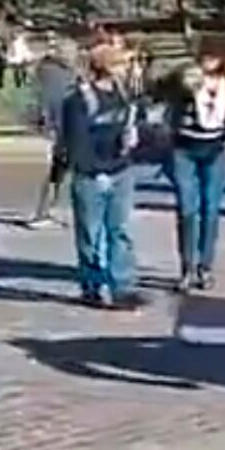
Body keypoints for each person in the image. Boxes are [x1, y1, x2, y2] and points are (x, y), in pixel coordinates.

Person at [61, 38, 145, 310]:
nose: (127, 68)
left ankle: (123, 286)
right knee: (91, 233)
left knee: (119, 231)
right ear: (107, 67)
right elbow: (77, 142)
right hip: (92, 175)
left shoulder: (124, 94)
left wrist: (133, 139)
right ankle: (93, 285)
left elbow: (133, 125)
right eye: (121, 63)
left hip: (121, 169)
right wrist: (95, 171)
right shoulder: (79, 100)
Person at [166, 36, 225, 292]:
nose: (208, 62)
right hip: (185, 149)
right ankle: (187, 266)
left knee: (211, 209)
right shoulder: (188, 77)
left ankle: (205, 266)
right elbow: (161, 89)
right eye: (204, 57)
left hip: (216, 149)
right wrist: (179, 83)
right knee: (187, 208)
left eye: (213, 57)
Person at [30, 37, 78, 228]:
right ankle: (42, 212)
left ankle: (51, 209)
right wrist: (51, 127)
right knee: (53, 170)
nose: (75, 55)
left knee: (60, 169)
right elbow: (51, 102)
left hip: (62, 125)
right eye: (72, 52)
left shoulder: (59, 71)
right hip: (58, 126)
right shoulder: (54, 73)